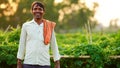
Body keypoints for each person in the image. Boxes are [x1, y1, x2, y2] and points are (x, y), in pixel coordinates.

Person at [17, 1, 61, 68]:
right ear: (32, 11)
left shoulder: (49, 26)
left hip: (44, 63)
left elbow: (54, 44)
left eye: (40, 9)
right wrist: (19, 61)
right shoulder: (26, 26)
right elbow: (22, 44)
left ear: (44, 12)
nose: (37, 11)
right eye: (35, 9)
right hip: (29, 63)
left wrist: (57, 62)